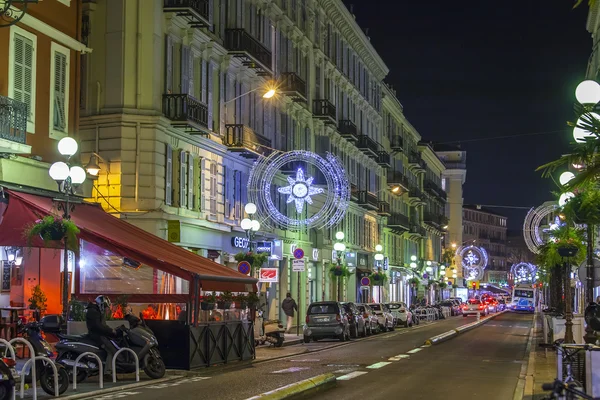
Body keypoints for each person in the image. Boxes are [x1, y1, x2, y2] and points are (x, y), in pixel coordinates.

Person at [86, 295, 118, 375]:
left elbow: (103, 325)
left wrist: (112, 330)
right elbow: (98, 327)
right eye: (105, 306)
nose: (107, 309)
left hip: (99, 335)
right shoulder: (93, 312)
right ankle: (108, 372)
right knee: (111, 350)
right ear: (101, 305)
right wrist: (110, 331)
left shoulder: (96, 311)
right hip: (97, 336)